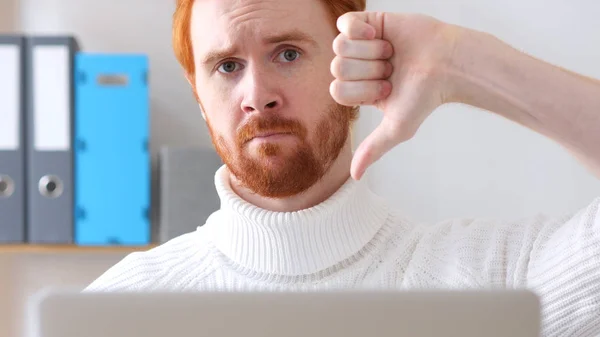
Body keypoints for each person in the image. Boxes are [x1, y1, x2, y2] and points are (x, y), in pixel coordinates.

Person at [85, 0, 600, 335]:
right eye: (227, 66)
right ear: (199, 96)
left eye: (287, 54)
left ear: (358, 66)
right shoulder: (118, 313)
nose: (257, 97)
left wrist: (457, 60)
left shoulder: (500, 284)